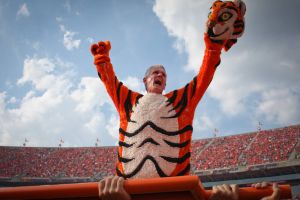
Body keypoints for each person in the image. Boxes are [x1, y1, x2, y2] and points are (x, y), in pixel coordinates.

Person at [91, 0, 247, 199]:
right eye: (156, 73)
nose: (160, 75)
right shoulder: (128, 101)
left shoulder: (180, 100)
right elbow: (111, 83)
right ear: (145, 80)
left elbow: (204, 77)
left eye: (163, 74)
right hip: (129, 189)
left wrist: (214, 46)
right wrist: (102, 60)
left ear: (164, 83)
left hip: (172, 190)